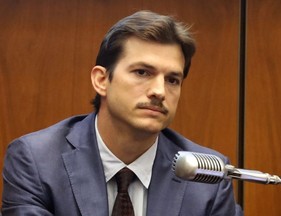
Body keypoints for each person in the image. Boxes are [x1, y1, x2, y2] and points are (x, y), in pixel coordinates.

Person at [2, 10, 243, 215]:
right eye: (142, 72)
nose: (159, 91)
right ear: (101, 80)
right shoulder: (36, 160)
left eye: (172, 79)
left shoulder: (207, 174)